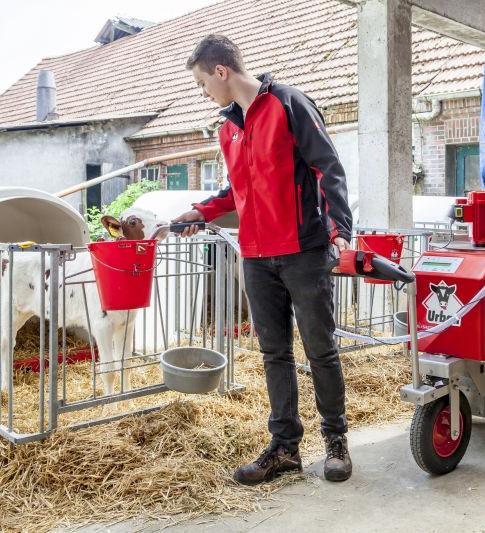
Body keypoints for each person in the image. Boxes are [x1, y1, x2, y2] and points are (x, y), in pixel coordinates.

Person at [173, 34, 354, 484]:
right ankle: (285, 448)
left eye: (202, 84)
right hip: (255, 256)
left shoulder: (289, 104)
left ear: (221, 71)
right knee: (274, 353)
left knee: (321, 350)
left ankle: (336, 442)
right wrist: (201, 211)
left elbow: (326, 167)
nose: (204, 94)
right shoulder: (227, 127)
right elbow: (238, 189)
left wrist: (341, 232)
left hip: (303, 251)